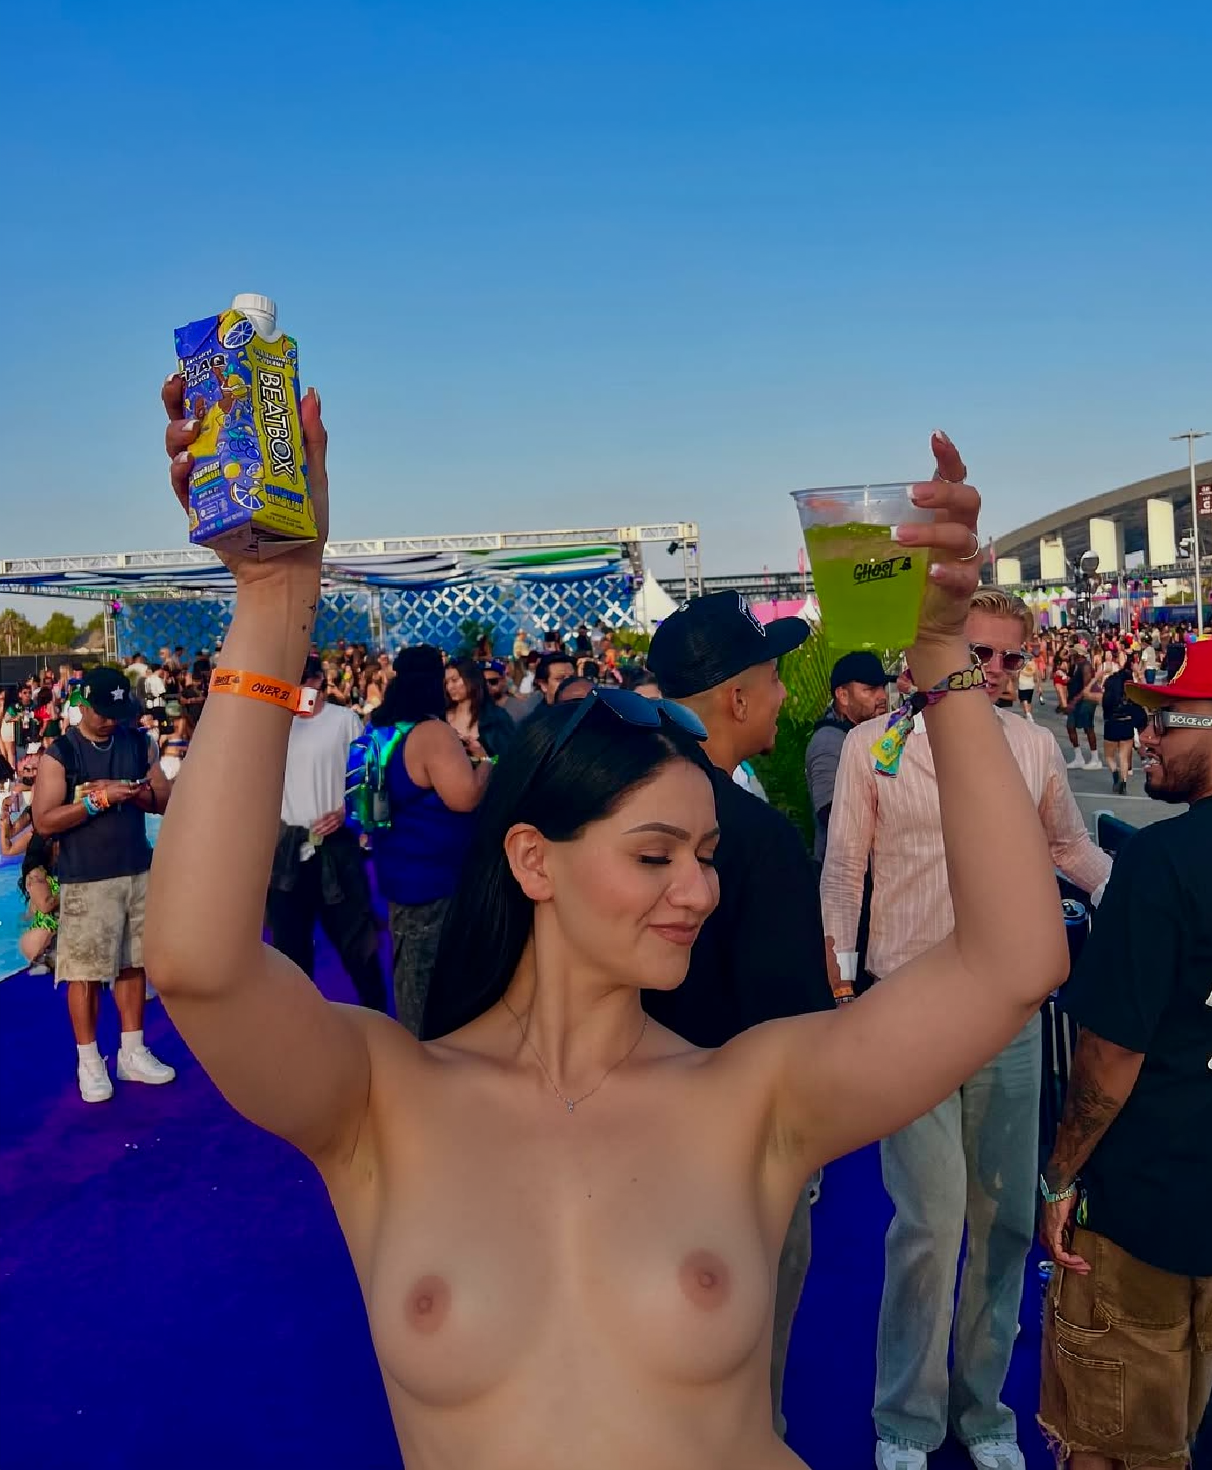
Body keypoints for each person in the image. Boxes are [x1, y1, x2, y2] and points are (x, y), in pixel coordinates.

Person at [148, 393, 1068, 1470]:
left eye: (706, 855)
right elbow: (198, 965)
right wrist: (271, 602)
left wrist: (944, 655)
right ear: (533, 859)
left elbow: (1013, 962)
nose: (699, 890)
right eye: (654, 855)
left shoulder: (754, 1096)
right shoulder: (382, 1099)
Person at [823, 587, 1111, 1470]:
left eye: (1007, 657)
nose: (990, 670)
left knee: (1006, 1219)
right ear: (929, 655)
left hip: (1008, 1014)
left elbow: (1069, 847)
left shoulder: (1031, 746)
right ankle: (906, 1418)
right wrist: (844, 986)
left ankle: (984, 1410)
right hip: (906, 1005)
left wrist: (1149, 895)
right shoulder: (874, 748)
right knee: (931, 1219)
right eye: (975, 652)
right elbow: (845, 869)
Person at [1038, 639, 1212, 1470]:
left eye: (1170, 720)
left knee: (1106, 1446)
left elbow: (1107, 1059)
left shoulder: (1160, 862)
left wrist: (1059, 1179)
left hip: (1134, 1222)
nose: (1147, 734)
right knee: (1180, 1430)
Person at [646, 589, 839, 1435]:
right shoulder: (753, 839)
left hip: (621, 1137)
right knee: (745, 1388)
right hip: (739, 1153)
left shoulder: (612, 810)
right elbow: (793, 1027)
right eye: (772, 678)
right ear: (734, 698)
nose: (783, 695)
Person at [31, 665, 175, 1103]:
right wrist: (98, 800)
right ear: (83, 705)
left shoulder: (139, 742)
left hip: (136, 869)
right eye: (104, 712)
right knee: (85, 973)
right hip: (86, 879)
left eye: (119, 712)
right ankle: (89, 1061)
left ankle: (132, 1050)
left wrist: (130, 791)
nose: (113, 720)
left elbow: (164, 799)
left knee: (133, 963)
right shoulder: (62, 754)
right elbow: (44, 821)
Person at [370, 648, 490, 1036]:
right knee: (431, 983)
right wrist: (485, 764)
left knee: (411, 972)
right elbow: (465, 797)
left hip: (397, 868)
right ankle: (429, 1056)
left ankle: (422, 1049)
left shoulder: (381, 729)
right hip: (436, 876)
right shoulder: (432, 733)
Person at [266, 656, 387, 1012]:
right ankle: (299, 1025)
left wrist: (347, 813)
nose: (295, 687)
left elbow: (370, 778)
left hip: (337, 850)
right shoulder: (274, 726)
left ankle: (379, 1020)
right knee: (290, 950)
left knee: (356, 943)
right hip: (286, 853)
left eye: (301, 679)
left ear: (318, 680)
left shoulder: (344, 720)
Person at [804, 651, 892, 868]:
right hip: (848, 873)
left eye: (882, 687)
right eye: (870, 690)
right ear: (843, 696)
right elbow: (832, 815)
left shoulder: (870, 734)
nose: (882, 696)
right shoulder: (828, 742)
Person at [444, 655, 516, 759]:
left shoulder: (496, 718)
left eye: (454, 680)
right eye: (446, 682)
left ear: (472, 679)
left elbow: (509, 761)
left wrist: (485, 758)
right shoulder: (441, 718)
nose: (450, 687)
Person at [1098, 650, 1142, 796]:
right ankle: (1123, 781)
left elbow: (1100, 699)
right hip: (1127, 722)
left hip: (1112, 723)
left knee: (1109, 755)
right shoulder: (1130, 692)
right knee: (1124, 756)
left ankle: (1115, 774)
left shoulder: (1109, 692)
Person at [18, 831, 60, 975]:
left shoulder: (49, 873)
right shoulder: (36, 874)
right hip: (43, 937)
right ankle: (43, 959)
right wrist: (67, 891)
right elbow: (45, 906)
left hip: (47, 934)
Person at [1064, 642, 1102, 771]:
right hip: (1077, 699)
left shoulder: (1085, 666)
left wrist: (1074, 701)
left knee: (1088, 727)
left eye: (1073, 653)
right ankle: (1078, 758)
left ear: (1078, 654)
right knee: (1070, 726)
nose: (1071, 655)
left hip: (1086, 700)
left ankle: (1095, 758)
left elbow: (1086, 687)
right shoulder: (1076, 665)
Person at [1, 748, 40, 858]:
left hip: (43, 830)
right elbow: (11, 834)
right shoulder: (36, 790)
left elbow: (7, 850)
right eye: (26, 768)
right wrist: (5, 819)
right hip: (42, 828)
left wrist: (4, 825)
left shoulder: (38, 788)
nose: (26, 758)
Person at [483, 658, 529, 724]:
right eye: (482, 682)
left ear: (504, 680)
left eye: (493, 681)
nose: (487, 686)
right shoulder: (475, 710)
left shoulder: (518, 709)